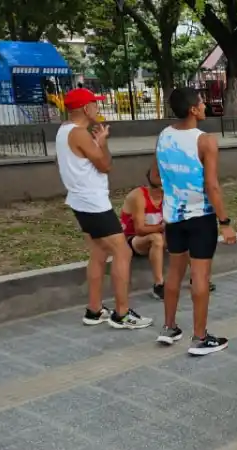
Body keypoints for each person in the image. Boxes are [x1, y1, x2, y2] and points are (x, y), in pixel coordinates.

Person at [56, 88, 153, 329]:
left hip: (80, 200)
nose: (98, 108)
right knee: (123, 252)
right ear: (85, 108)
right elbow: (105, 165)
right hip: (93, 202)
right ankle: (121, 313)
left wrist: (98, 144)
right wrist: (102, 143)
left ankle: (94, 309)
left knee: (99, 253)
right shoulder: (79, 134)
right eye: (95, 104)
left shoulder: (63, 131)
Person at [151, 87, 237, 355]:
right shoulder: (206, 141)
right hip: (200, 217)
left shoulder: (164, 136)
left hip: (173, 215)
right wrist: (225, 221)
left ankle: (169, 327)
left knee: (174, 272)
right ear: (192, 109)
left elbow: (156, 175)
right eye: (201, 102)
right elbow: (212, 185)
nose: (204, 105)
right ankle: (199, 337)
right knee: (200, 275)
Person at [120, 168, 168, 299]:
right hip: (133, 240)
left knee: (186, 234)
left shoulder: (169, 196)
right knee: (156, 238)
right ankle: (159, 285)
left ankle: (196, 278)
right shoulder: (139, 196)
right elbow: (139, 229)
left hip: (158, 234)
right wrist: (162, 227)